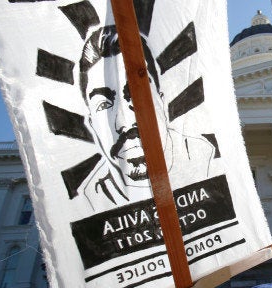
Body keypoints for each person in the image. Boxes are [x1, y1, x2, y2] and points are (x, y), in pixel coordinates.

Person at [78, 25, 217, 210]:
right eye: (103, 105)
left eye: (137, 93)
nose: (123, 121)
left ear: (163, 103)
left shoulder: (208, 163)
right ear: (91, 125)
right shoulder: (91, 201)